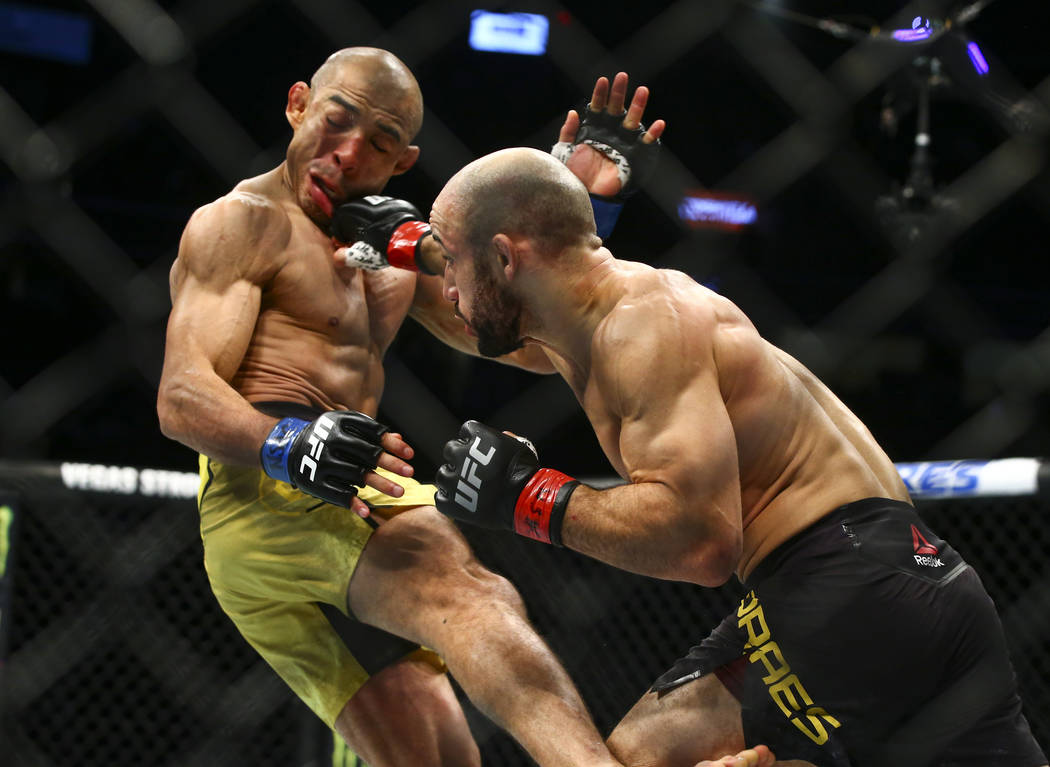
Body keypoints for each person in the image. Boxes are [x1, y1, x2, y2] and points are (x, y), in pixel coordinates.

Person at [156, 45, 770, 767]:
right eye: (336, 121)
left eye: (379, 143)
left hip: (338, 503)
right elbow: (181, 395)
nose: (349, 154)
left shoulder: (392, 249)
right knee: (474, 595)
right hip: (264, 494)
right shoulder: (242, 223)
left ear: (402, 163)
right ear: (297, 105)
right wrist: (290, 441)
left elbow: (529, 342)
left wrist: (578, 211)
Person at [423, 146, 1049, 766]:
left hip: (838, 584)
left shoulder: (642, 330)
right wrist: (383, 255)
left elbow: (701, 544)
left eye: (450, 260)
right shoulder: (589, 323)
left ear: (505, 256)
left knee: (641, 759)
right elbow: (483, 323)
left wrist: (527, 499)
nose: (446, 286)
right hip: (917, 577)